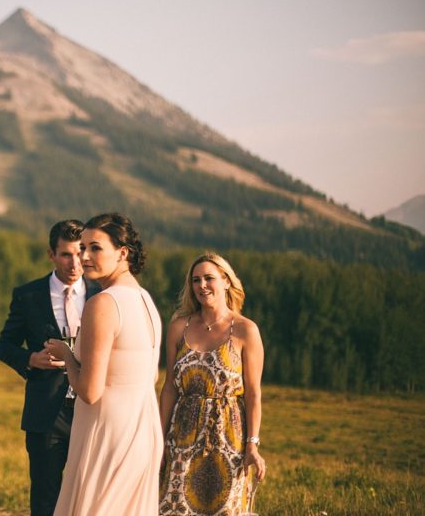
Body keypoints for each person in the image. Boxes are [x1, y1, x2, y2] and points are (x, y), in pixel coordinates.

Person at [45, 213, 163, 515]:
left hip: (108, 433)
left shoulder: (103, 303)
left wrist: (67, 356)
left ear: (123, 252)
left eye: (95, 248)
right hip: (143, 431)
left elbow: (90, 391)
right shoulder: (146, 300)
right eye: (82, 247)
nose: (84, 256)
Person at [0, 219, 102, 516]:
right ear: (51, 254)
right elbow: (4, 346)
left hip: (92, 409)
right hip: (46, 415)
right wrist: (30, 359)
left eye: (81, 252)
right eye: (66, 254)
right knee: (45, 500)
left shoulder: (102, 294)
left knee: (88, 498)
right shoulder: (28, 295)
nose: (75, 262)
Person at [159, 253, 267, 516]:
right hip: (182, 435)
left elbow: (253, 394)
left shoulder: (245, 330)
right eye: (196, 280)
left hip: (229, 436)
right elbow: (170, 388)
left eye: (209, 278)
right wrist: (158, 440)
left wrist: (252, 444)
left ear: (227, 282)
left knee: (225, 508)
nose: (202, 285)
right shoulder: (178, 327)